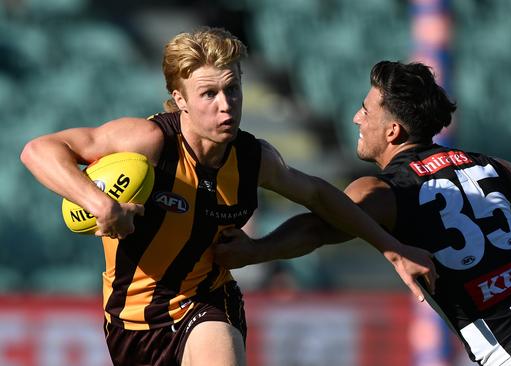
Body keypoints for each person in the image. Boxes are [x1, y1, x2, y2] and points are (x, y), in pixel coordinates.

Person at [19, 29, 437, 366]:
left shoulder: (255, 158)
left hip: (206, 303)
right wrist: (101, 205)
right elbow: (38, 150)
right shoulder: (147, 141)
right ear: (180, 99)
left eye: (233, 89)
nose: (227, 106)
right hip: (129, 323)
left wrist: (391, 248)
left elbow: (319, 196)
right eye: (208, 94)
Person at [214, 60, 511, 366]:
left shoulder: (385, 189)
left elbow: (315, 229)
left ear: (392, 130)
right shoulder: (482, 165)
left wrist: (254, 251)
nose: (355, 117)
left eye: (365, 110)